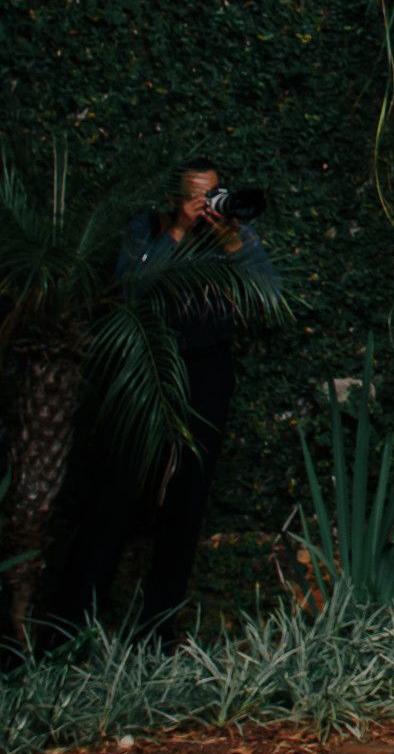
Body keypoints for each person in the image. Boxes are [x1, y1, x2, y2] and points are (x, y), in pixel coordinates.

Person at [58, 164, 279, 644]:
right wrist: (177, 230)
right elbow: (129, 291)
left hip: (207, 372)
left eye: (213, 194)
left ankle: (158, 632)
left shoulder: (235, 235)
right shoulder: (147, 228)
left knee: (188, 501)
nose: (207, 206)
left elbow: (271, 298)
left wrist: (235, 244)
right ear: (175, 197)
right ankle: (69, 629)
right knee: (113, 495)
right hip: (145, 365)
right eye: (196, 197)